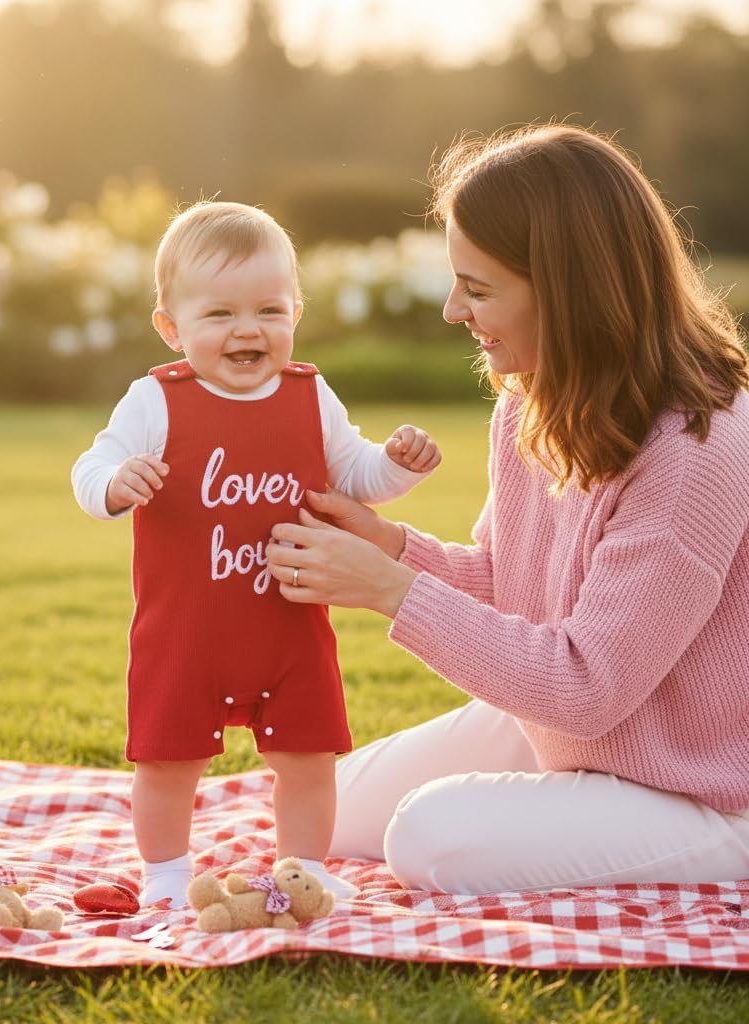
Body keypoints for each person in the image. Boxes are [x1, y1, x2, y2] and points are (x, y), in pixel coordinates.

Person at [265, 124, 749, 894]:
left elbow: (587, 686)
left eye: (479, 288)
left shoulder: (695, 449)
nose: (454, 310)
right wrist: (391, 547)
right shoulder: (532, 403)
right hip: (588, 737)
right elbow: (505, 580)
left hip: (703, 782)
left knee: (430, 839)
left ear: (570, 291)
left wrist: (388, 590)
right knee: (334, 806)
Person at [71, 200, 442, 907]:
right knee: (168, 759)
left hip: (289, 623)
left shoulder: (309, 394)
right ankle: (167, 875)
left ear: (295, 312)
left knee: (307, 758)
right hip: (185, 631)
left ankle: (303, 867)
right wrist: (116, 485)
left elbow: (355, 474)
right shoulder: (156, 401)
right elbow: (92, 466)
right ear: (172, 327)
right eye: (219, 316)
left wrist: (399, 465)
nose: (248, 330)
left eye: (269, 310)